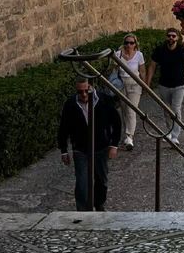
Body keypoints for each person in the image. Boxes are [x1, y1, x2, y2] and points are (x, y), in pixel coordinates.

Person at [58, 75, 121, 210]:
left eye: (86, 91)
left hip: (101, 147)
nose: (84, 95)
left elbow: (116, 122)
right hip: (81, 149)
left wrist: (113, 145)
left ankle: (99, 204)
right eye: (80, 92)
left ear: (91, 88)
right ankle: (83, 212)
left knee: (101, 180)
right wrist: (64, 150)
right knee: (82, 182)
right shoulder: (71, 104)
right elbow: (63, 128)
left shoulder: (104, 100)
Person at [145, 26, 184, 144]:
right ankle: (169, 132)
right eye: (169, 36)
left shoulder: (182, 50)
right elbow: (152, 66)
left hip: (179, 85)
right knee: (166, 109)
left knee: (176, 109)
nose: (171, 38)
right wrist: (147, 84)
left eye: (173, 36)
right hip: (164, 85)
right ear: (166, 37)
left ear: (177, 38)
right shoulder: (160, 50)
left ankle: (175, 135)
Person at [113, 33, 145, 149]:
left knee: (132, 110)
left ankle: (129, 136)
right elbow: (114, 69)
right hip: (122, 84)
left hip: (135, 84)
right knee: (124, 110)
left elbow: (142, 71)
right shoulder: (118, 54)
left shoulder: (139, 55)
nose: (129, 45)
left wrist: (145, 84)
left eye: (131, 43)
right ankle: (127, 136)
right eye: (126, 43)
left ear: (135, 44)